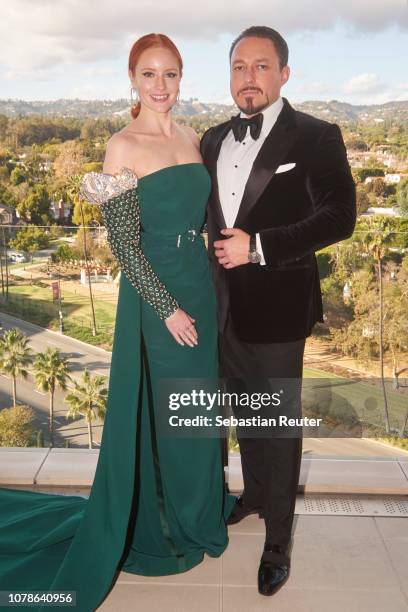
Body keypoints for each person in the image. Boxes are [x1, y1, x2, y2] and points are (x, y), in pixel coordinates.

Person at [0, 33, 235, 612]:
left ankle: (200, 512)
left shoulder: (191, 138)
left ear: (182, 79)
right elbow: (126, 249)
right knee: (166, 410)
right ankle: (164, 523)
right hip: (158, 300)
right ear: (132, 79)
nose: (162, 86)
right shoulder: (120, 147)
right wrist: (169, 308)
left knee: (199, 407)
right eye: (150, 75)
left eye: (171, 75)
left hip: (199, 289)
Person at [200, 25, 356, 596]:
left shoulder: (317, 136)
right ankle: (255, 495)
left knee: (278, 427)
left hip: (280, 307)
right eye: (239, 66)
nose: (249, 77)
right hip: (220, 307)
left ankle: (277, 543)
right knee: (245, 414)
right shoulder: (213, 138)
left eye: (261, 66)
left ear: (284, 74)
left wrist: (259, 247)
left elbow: (340, 217)